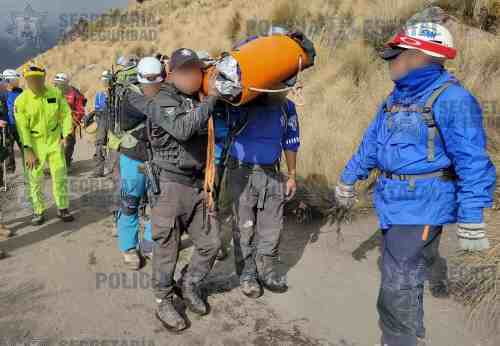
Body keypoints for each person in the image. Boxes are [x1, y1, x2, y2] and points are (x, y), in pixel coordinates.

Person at [335, 23, 496, 346]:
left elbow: (473, 161)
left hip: (423, 207)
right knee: (404, 282)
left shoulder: (452, 99)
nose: (389, 62)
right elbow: (371, 144)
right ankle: (409, 337)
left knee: (397, 287)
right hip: (393, 204)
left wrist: (471, 216)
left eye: (396, 55)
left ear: (419, 57)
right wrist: (348, 179)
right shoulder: (396, 97)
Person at [129, 48, 221, 332]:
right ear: (172, 74)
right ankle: (163, 300)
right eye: (186, 71)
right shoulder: (161, 99)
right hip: (169, 185)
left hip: (197, 184)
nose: (193, 75)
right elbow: (182, 129)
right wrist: (214, 99)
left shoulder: (198, 98)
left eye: (196, 70)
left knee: (210, 243)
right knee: (167, 249)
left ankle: (188, 283)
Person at [15, 64, 75, 225]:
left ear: (44, 78)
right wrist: (27, 149)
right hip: (34, 144)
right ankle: (38, 210)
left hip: (54, 141)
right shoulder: (21, 101)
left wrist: (66, 134)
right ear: (26, 80)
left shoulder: (54, 93)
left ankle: (62, 208)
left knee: (60, 175)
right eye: (30, 80)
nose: (34, 82)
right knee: (34, 178)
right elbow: (22, 128)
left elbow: (66, 114)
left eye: (37, 79)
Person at [112, 58, 157, 269]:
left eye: (156, 78)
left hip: (157, 159)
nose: (152, 82)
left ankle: (149, 244)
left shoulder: (163, 94)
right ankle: (129, 247)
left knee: (157, 205)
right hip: (133, 157)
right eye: (148, 78)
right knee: (130, 203)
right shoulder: (131, 96)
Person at [53, 73, 87, 171]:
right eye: (56, 83)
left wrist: (74, 122)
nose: (57, 85)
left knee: (69, 142)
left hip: (69, 122)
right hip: (55, 123)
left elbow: (80, 110)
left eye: (59, 83)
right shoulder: (51, 93)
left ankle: (66, 163)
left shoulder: (74, 94)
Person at [87, 70, 112, 178]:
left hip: (113, 119)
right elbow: (97, 108)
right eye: (103, 79)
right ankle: (98, 171)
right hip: (102, 120)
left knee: (114, 146)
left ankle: (114, 171)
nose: (105, 81)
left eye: (107, 79)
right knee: (99, 145)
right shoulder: (99, 94)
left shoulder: (116, 91)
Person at [2, 69, 24, 174]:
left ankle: (30, 170)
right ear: (9, 80)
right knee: (8, 150)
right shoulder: (2, 93)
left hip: (21, 126)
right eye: (16, 79)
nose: (18, 81)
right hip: (7, 127)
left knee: (26, 148)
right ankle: (10, 172)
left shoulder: (20, 92)